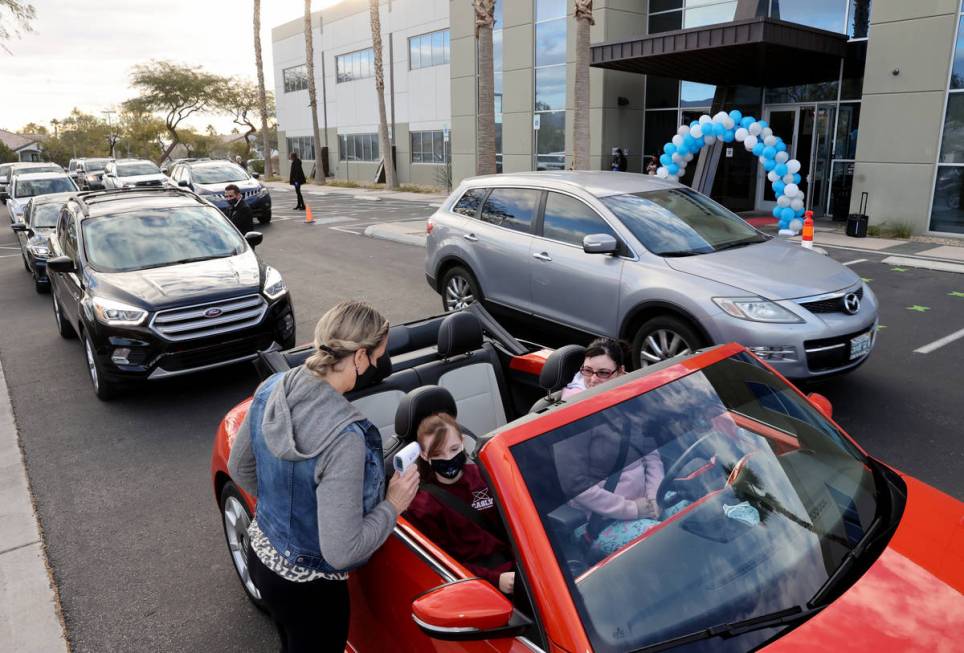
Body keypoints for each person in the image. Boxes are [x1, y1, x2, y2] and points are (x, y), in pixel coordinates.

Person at [228, 300, 420, 653]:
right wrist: (393, 504)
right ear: (360, 357)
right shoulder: (345, 438)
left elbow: (240, 467)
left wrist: (289, 508)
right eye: (379, 357)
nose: (379, 365)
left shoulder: (273, 387)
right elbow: (342, 551)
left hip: (261, 558)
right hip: (311, 592)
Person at [556, 338, 666, 558]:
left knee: (700, 513)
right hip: (600, 521)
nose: (594, 380)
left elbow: (651, 455)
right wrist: (632, 509)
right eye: (587, 371)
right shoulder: (571, 418)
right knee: (663, 544)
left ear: (621, 372)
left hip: (647, 505)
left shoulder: (631, 402)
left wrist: (656, 497)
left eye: (603, 373)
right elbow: (575, 485)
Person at [404, 413, 516, 595]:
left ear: (463, 442)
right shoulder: (423, 506)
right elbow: (444, 564)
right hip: (481, 583)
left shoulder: (484, 474)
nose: (448, 458)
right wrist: (495, 579)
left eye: (454, 449)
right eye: (437, 454)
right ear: (424, 455)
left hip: (518, 564)